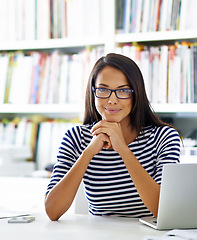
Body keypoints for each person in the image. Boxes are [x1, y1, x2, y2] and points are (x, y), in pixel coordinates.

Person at [45, 53, 181, 221]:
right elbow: (52, 211)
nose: (112, 100)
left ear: (136, 93)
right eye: (103, 89)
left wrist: (123, 149)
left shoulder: (164, 137)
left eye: (123, 90)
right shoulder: (76, 137)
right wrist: (88, 152)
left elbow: (164, 212)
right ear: (93, 92)